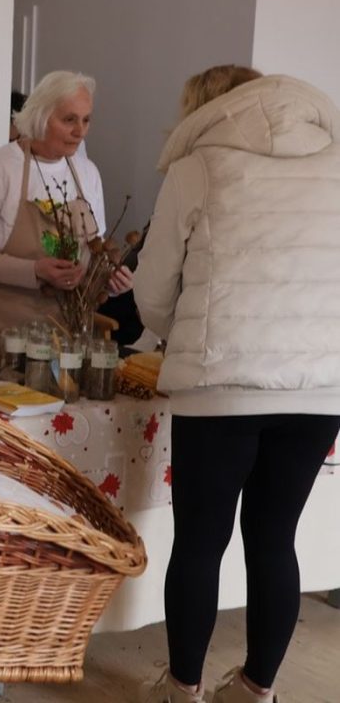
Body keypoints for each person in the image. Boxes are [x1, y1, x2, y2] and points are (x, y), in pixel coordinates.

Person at [136, 66, 340, 703]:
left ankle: (182, 688)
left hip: (219, 380)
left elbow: (151, 291)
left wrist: (175, 331)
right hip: (319, 387)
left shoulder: (198, 167)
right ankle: (256, 691)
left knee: (200, 541)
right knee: (275, 539)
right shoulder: (336, 165)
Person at [0, 70, 131, 341]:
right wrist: (34, 271)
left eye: (86, 120)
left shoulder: (87, 173)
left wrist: (108, 279)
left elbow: (94, 254)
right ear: (40, 116)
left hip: (63, 339)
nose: (80, 131)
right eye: (69, 120)